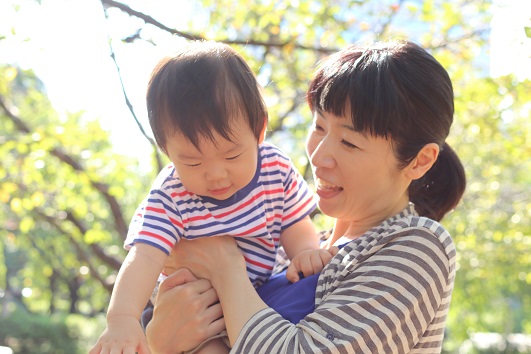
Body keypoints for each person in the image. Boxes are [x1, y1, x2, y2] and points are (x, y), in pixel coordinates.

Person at [143, 39, 467, 354]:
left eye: (349, 143)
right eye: (319, 127)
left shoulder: (418, 245)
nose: (319, 156)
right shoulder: (287, 250)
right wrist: (160, 343)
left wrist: (225, 267)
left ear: (419, 160)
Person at [90, 40, 336, 354]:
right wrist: (122, 319)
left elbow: (293, 222)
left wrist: (304, 252)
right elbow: (144, 258)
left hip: (253, 298)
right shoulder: (170, 197)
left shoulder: (274, 168)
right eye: (192, 162)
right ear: (168, 151)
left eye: (232, 155)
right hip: (191, 310)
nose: (216, 174)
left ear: (259, 131)